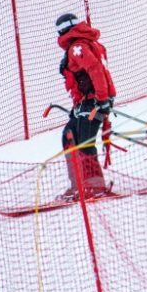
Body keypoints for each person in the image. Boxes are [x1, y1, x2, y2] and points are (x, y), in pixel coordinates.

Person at [55, 13, 117, 200]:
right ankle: (78, 185)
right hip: (86, 103)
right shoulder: (86, 43)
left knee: (84, 141)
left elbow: (95, 70)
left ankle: (94, 186)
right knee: (69, 136)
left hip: (93, 103)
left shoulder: (78, 47)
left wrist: (102, 99)